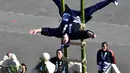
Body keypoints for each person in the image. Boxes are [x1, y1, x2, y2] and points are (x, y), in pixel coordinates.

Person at [53, 0, 118, 23]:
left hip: (68, 14)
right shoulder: (74, 32)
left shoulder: (63, 30)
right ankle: (110, 0)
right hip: (81, 17)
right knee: (95, 8)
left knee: (59, 4)